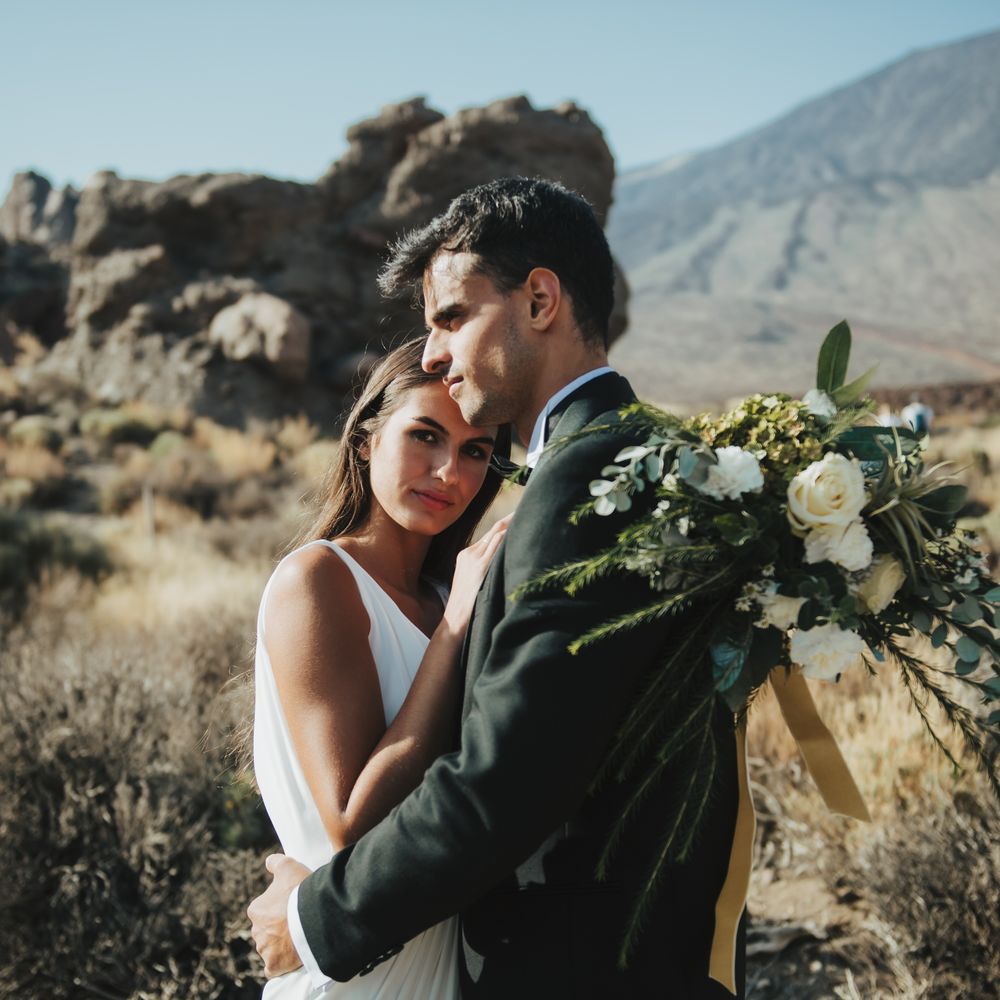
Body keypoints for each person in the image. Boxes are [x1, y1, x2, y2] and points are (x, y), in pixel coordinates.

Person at [249, 178, 745, 999]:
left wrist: (311, 920)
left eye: (450, 317)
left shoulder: (588, 477)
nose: (435, 353)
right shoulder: (638, 455)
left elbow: (508, 778)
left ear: (541, 299)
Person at [252, 337, 512, 999]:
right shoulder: (317, 581)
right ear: (366, 440)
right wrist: (456, 623)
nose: (450, 472)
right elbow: (351, 820)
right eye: (425, 436)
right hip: (350, 979)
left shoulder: (440, 596)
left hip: (441, 967)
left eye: (476, 450)